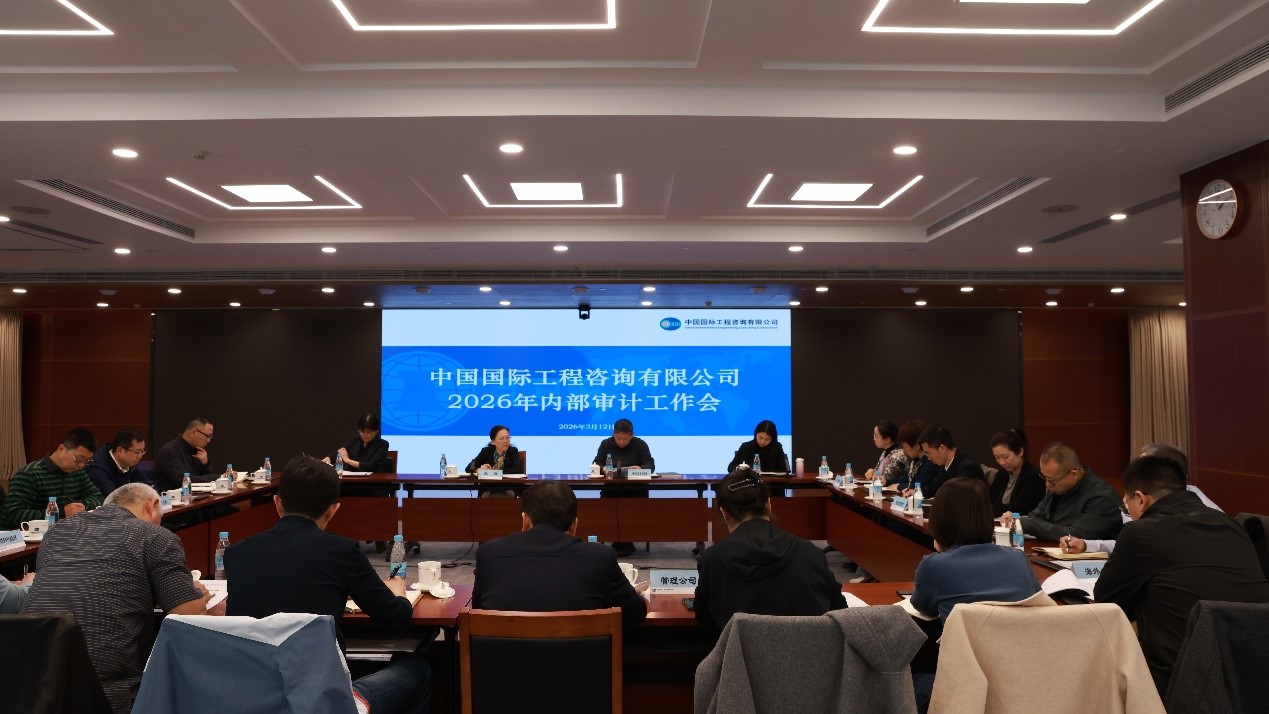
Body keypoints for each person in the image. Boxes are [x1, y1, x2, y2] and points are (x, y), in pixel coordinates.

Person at [225, 455, 432, 714]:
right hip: (321, 702)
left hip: (253, 700)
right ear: (334, 509)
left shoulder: (237, 554)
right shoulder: (341, 551)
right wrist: (399, 594)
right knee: (418, 668)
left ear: (277, 503)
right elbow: (395, 619)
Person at [21, 483, 210, 713]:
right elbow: (189, 618)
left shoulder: (56, 533)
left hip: (33, 690)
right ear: (152, 506)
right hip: (108, 695)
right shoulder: (155, 536)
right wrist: (195, 593)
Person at [1094, 456, 1269, 696]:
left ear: (1141, 499)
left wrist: (1143, 620)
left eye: (1127, 506)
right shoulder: (1232, 525)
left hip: (1185, 684)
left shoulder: (1141, 532)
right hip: (1254, 677)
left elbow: (1107, 601)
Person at [472, 480, 648, 625]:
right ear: (574, 525)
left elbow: (478, 612)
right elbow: (636, 614)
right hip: (582, 658)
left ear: (525, 521)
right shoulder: (600, 557)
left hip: (505, 658)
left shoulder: (488, 554)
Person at [693, 469, 846, 631]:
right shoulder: (811, 553)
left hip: (738, 648)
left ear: (723, 512)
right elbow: (839, 611)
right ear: (768, 504)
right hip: (806, 647)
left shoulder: (713, 560)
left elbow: (705, 619)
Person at [911, 476, 1041, 621]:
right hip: (1018, 634)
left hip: (963, 636)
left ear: (940, 520)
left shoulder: (934, 565)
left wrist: (943, 550)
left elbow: (924, 608)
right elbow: (1038, 601)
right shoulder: (1018, 557)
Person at [1061, 443, 1221, 554]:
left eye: (1145, 468)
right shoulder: (1139, 499)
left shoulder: (1207, 515)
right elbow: (1131, 543)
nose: (1136, 472)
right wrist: (1087, 545)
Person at [1002, 442, 1123, 541]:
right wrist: (1015, 520)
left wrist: (1029, 524)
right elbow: (1035, 517)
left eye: (1052, 480)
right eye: (1044, 477)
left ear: (1073, 474)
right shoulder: (1057, 488)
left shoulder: (1102, 496)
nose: (1047, 485)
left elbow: (1076, 535)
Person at [2, 428, 104, 529]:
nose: (81, 465)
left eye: (87, 461)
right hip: (30, 534)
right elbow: (13, 515)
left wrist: (80, 506)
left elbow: (98, 497)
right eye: (79, 459)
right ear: (61, 449)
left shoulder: (77, 472)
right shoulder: (30, 474)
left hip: (66, 530)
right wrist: (60, 512)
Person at [593, 418, 655, 557]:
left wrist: (640, 468)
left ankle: (624, 541)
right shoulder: (605, 444)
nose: (621, 442)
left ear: (631, 435)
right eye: (618, 438)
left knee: (631, 506)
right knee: (607, 505)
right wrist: (603, 469)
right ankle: (618, 540)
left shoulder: (640, 444)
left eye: (625, 439)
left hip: (635, 489)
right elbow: (597, 463)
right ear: (613, 434)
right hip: (612, 489)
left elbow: (650, 465)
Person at [986, 427, 1045, 518]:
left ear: (1020, 452)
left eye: (1005, 457)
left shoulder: (1034, 477)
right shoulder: (1002, 474)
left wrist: (990, 511)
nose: (1002, 462)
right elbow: (989, 500)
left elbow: (1019, 508)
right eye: (997, 458)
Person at [916, 424, 984, 498]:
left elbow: (961, 499)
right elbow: (934, 488)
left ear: (942, 448)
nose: (928, 458)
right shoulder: (945, 466)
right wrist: (916, 493)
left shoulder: (967, 467)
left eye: (928, 453)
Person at [153, 417, 215, 491]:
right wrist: (218, 477)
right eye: (207, 436)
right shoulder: (169, 451)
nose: (208, 441)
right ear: (193, 433)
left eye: (210, 437)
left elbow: (209, 482)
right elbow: (184, 481)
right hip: (171, 497)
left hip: (194, 495)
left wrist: (205, 464)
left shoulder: (197, 450)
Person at [86, 428, 148, 497]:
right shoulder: (97, 467)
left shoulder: (129, 462)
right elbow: (113, 496)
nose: (140, 456)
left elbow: (146, 486)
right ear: (120, 450)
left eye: (142, 451)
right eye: (137, 452)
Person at [325, 413, 391, 473]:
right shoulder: (354, 440)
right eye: (362, 431)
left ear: (376, 430)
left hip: (373, 480)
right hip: (352, 479)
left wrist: (348, 460)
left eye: (369, 432)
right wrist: (322, 462)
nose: (365, 435)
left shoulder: (383, 444)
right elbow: (339, 453)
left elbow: (371, 466)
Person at [896, 420, 940, 493]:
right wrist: (887, 481)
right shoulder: (915, 460)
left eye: (905, 447)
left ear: (916, 446)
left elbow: (918, 485)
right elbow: (906, 479)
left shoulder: (930, 462)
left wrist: (899, 486)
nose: (904, 451)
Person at [864, 420, 908, 485]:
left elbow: (885, 478)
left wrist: (873, 474)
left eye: (876, 436)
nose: (874, 439)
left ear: (887, 439)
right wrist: (871, 471)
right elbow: (878, 473)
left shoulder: (899, 454)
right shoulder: (885, 452)